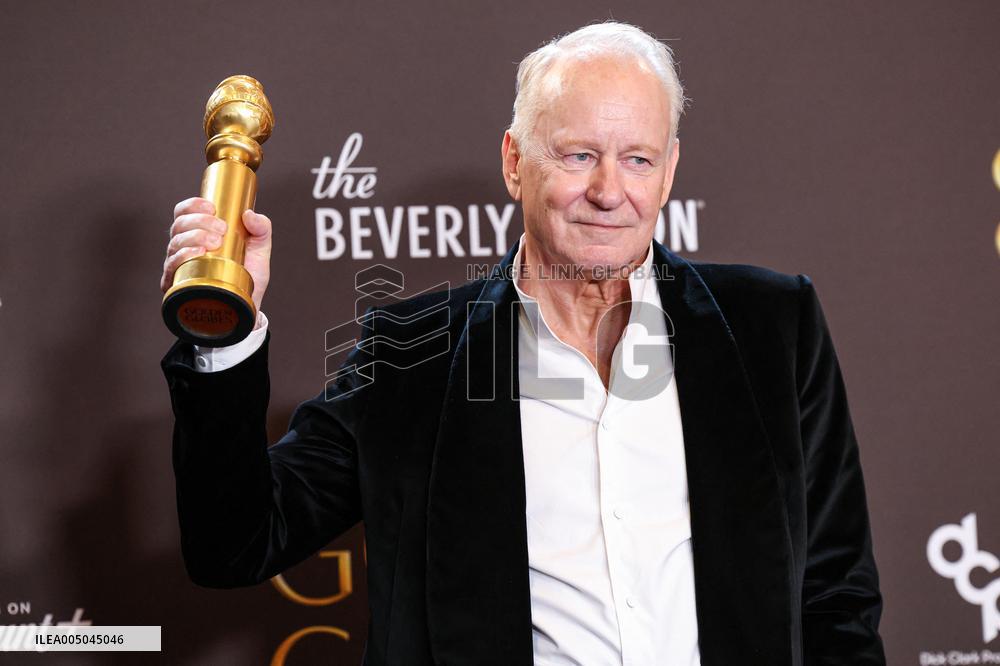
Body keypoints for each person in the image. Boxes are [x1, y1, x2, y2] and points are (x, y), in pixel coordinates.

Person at [160, 22, 886, 666]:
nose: (609, 191)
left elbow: (837, 594)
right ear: (514, 162)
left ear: (670, 170)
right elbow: (235, 544)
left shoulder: (773, 327)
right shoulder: (409, 356)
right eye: (579, 155)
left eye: (637, 159)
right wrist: (222, 328)